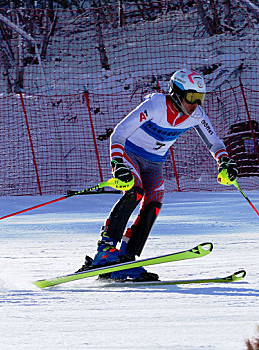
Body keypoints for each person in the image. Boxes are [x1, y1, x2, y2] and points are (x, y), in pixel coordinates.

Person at [81, 68, 238, 281]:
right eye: (191, 97)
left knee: (154, 201)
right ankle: (105, 250)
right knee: (134, 190)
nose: (195, 105)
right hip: (130, 153)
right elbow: (119, 133)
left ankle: (126, 257)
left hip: (154, 163)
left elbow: (214, 142)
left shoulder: (197, 115)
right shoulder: (156, 105)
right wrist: (118, 163)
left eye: (200, 98)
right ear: (176, 92)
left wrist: (224, 161)